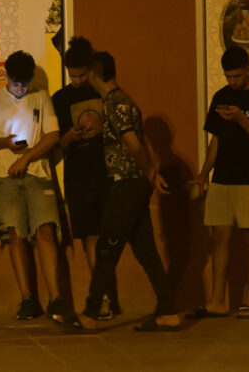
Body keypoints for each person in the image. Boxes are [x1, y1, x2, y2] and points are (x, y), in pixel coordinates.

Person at [66, 51, 181, 332]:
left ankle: (91, 313)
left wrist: (149, 172)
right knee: (145, 250)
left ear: (94, 74)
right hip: (134, 183)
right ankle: (168, 311)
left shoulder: (116, 104)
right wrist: (149, 173)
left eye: (87, 74)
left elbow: (133, 143)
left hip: (126, 183)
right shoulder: (122, 101)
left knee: (107, 248)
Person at [0, 50, 72, 321]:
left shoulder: (41, 97)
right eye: (16, 83)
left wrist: (26, 158)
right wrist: (5, 143)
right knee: (16, 235)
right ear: (7, 77)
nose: (20, 88)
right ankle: (28, 298)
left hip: (38, 175)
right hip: (4, 177)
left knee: (46, 231)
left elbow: (52, 135)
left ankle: (56, 298)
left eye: (25, 83)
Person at [188, 46, 249, 320]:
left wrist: (240, 118)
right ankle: (217, 301)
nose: (233, 81)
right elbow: (216, 140)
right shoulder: (222, 96)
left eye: (237, 75)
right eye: (228, 76)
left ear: (248, 69)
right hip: (222, 178)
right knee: (219, 238)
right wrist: (203, 175)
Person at [50, 35, 116, 319]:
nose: (77, 81)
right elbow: (57, 143)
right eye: (72, 76)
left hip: (106, 172)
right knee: (89, 236)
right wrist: (70, 136)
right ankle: (101, 298)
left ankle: (105, 296)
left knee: (109, 236)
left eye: (81, 75)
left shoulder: (105, 91)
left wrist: (103, 128)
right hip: (78, 176)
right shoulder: (60, 98)